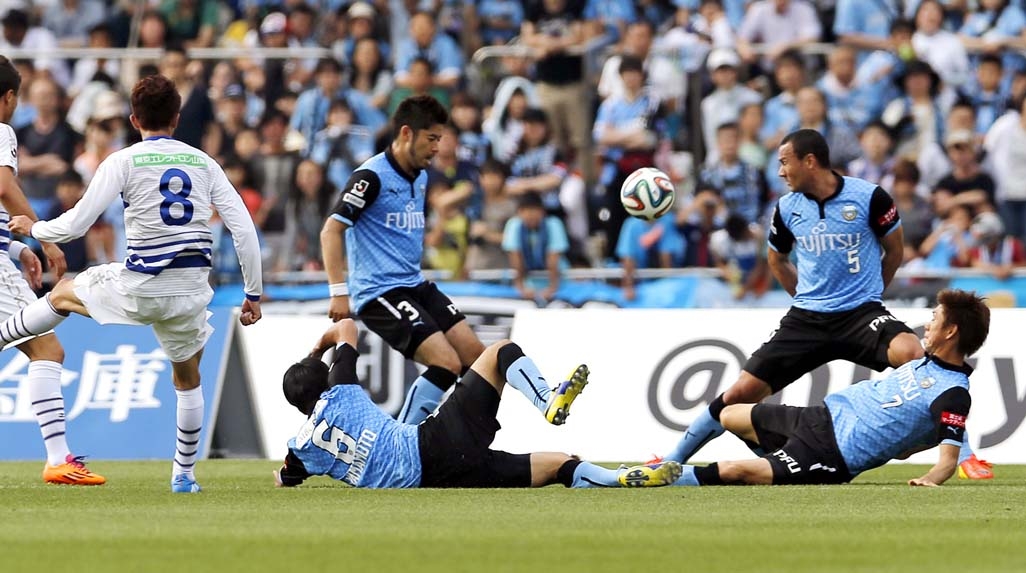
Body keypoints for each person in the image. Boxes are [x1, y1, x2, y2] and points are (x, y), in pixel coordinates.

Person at [0, 74, 264, 494]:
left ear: (133, 118)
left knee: (63, 293)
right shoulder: (204, 163)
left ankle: (2, 336)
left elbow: (79, 223)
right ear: (177, 118)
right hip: (189, 294)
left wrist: (38, 228)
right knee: (188, 379)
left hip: (138, 286)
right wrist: (253, 292)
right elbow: (243, 230)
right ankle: (184, 476)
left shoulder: (123, 160)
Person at [658, 128, 924, 465]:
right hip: (807, 319)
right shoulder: (786, 208)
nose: (780, 171)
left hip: (861, 314)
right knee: (739, 394)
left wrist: (871, 294)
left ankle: (960, 454)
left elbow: (895, 250)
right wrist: (806, 298)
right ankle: (671, 460)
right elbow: (776, 259)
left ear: (809, 161)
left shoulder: (870, 197)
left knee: (915, 354)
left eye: (785, 162)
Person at [275, 319, 683, 489]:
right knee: (502, 352)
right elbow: (345, 326)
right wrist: (316, 350)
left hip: (439, 479)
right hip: (432, 444)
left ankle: (619, 479)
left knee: (560, 464)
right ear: (324, 379)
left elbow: (285, 477)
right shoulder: (341, 389)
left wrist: (284, 476)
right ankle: (547, 400)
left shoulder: (303, 447)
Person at [671, 289, 989, 488]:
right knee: (729, 415)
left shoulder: (953, 393)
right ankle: (781, 466)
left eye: (934, 318)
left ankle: (655, 478)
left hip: (831, 454)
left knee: (730, 470)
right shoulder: (922, 363)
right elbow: (907, 446)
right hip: (819, 419)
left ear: (951, 331)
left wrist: (929, 479)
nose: (927, 324)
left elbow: (946, 459)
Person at [320, 95, 487, 426]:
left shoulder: (421, 176)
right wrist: (339, 291)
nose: (438, 147)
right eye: (432, 138)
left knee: (477, 358)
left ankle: (466, 436)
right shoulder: (370, 178)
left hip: (415, 283)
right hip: (380, 290)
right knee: (445, 363)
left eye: (440, 139)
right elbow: (330, 231)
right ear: (407, 133)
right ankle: (398, 445)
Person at [0, 55, 102, 486]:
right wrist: (43, 237)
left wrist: (13, 246)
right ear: (8, 98)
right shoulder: (2, 129)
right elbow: (3, 186)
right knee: (47, 351)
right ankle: (59, 459)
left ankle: (59, 459)